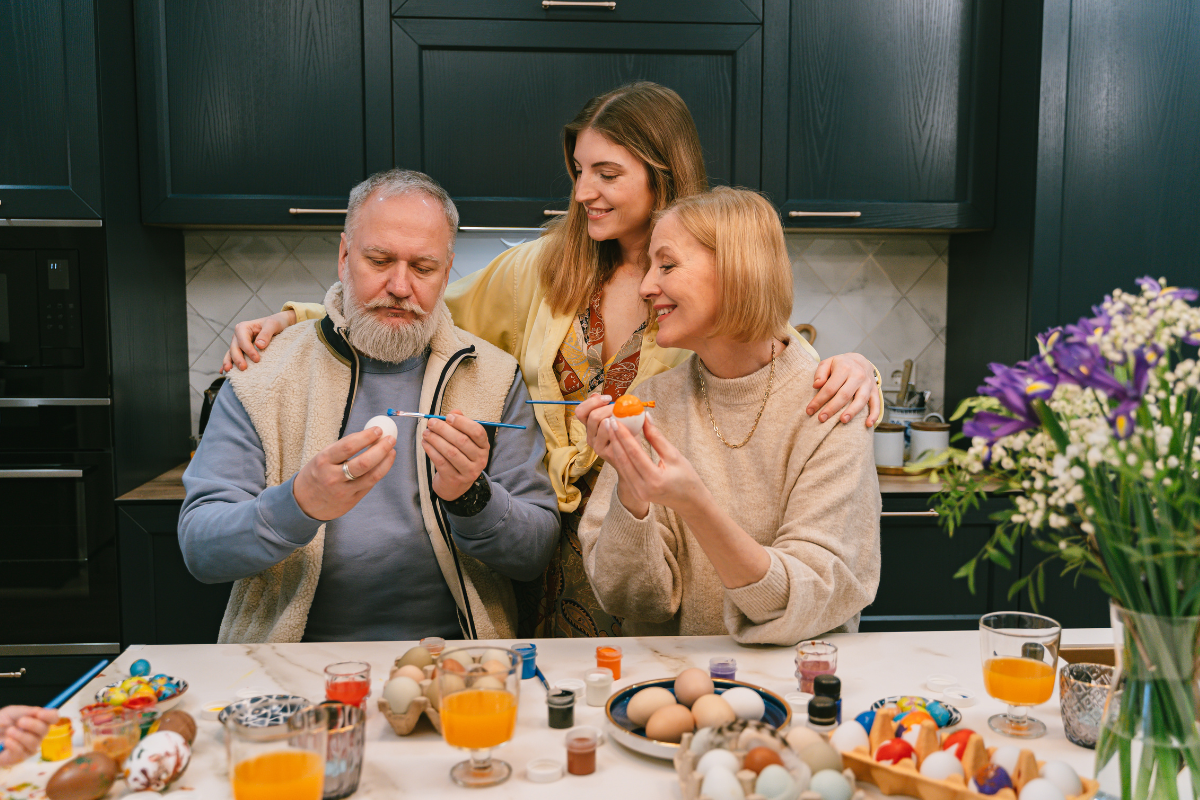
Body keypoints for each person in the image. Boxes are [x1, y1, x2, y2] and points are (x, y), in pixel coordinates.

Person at [218, 83, 881, 638]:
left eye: (608, 173)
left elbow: (769, 345)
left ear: (663, 172)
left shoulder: (701, 287)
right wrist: (297, 319)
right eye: (580, 171)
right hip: (541, 542)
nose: (585, 190)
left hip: (664, 537)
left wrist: (860, 369)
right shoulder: (540, 268)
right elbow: (415, 300)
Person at [180, 170, 560, 643]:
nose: (400, 286)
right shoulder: (262, 372)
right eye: (379, 261)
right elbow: (200, 548)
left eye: (423, 268)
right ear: (343, 256)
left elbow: (535, 555)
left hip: (460, 666)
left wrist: (471, 497)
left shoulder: (495, 378)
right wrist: (298, 504)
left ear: (447, 270)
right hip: (292, 667)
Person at [575, 187, 881, 645]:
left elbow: (809, 598)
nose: (645, 287)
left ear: (737, 270)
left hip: (799, 686)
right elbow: (630, 600)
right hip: (672, 680)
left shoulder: (832, 404)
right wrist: (632, 492)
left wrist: (694, 504)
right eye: (648, 267)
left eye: (668, 265)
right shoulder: (651, 402)